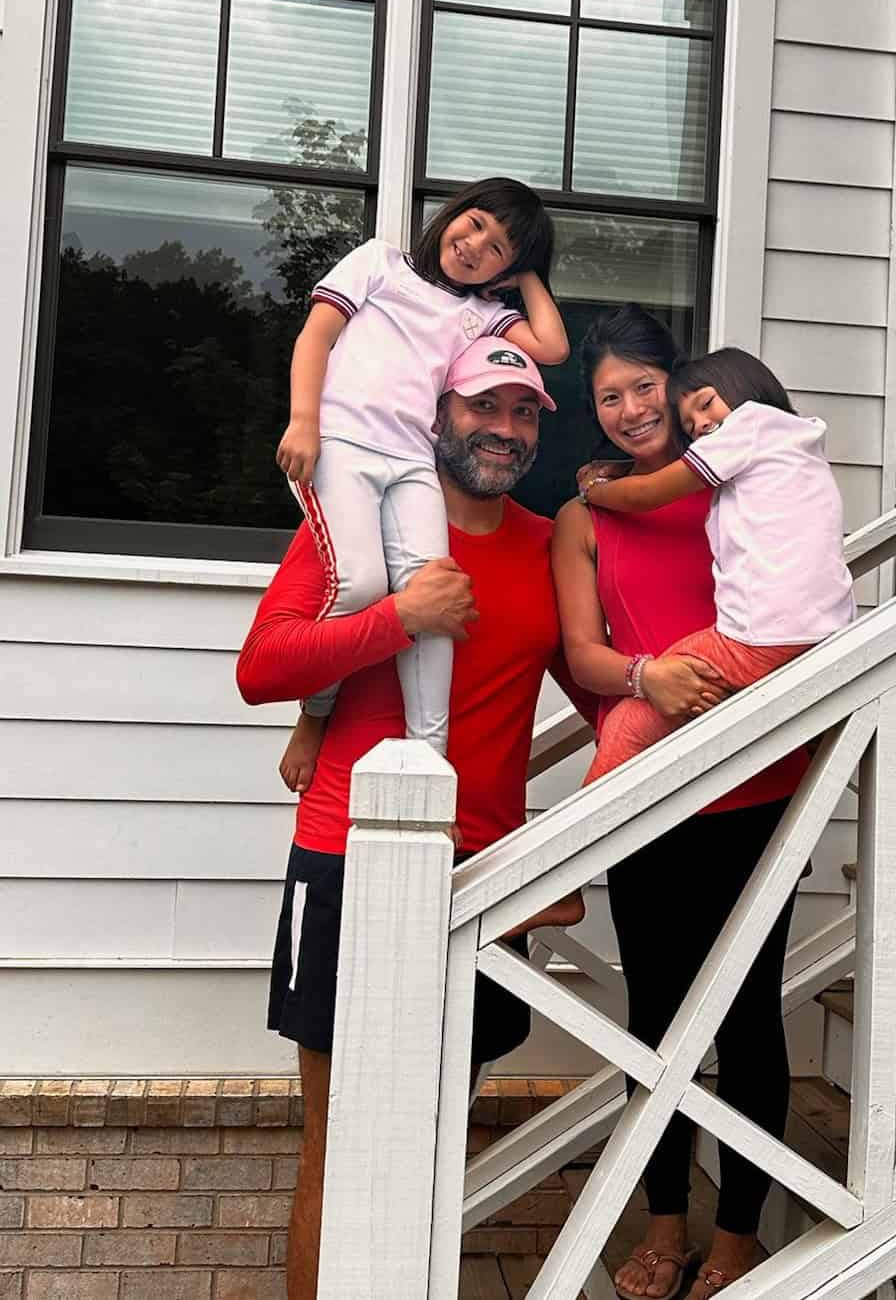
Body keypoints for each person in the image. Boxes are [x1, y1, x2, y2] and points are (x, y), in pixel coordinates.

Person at [238, 338, 590, 1300]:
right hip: (345, 854)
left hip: (480, 871)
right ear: (436, 413)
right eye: (484, 406)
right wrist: (402, 614)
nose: (504, 429)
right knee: (340, 1143)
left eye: (524, 413)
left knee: (434, 1140)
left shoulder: (542, 544)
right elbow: (261, 669)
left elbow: (595, 692)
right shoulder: (352, 525)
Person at [552, 308, 816, 1299]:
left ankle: (740, 1236)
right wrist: (644, 678)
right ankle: (665, 1227)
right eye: (607, 396)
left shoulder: (742, 471)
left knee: (748, 1015)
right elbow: (582, 655)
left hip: (760, 783)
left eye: (642, 388)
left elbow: (797, 596)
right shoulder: (586, 515)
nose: (627, 409)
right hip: (652, 793)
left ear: (680, 382)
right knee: (654, 1015)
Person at [274, 178, 570, 793]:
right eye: (478, 222)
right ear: (456, 212)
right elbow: (316, 338)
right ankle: (316, 714)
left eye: (500, 248)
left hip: (412, 461)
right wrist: (304, 421)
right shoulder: (377, 261)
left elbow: (552, 346)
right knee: (361, 585)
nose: (476, 244)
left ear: (508, 268)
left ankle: (430, 765)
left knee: (436, 598)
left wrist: (529, 276)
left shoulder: (482, 313)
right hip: (344, 450)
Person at [579, 346, 854, 785]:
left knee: (627, 726)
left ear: (746, 390)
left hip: (758, 637)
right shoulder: (796, 446)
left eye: (706, 405)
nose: (703, 425)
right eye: (690, 425)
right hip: (825, 636)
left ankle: (581, 842)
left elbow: (644, 494)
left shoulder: (749, 426)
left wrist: (595, 488)